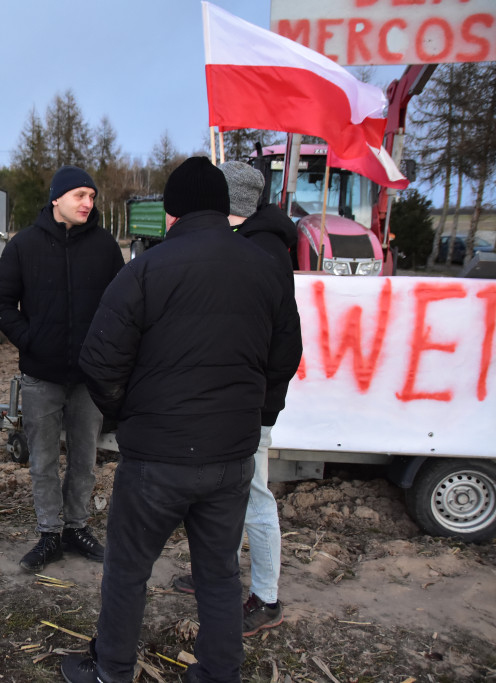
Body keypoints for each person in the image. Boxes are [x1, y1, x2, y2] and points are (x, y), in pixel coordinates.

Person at [61, 157, 302, 683]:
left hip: (157, 459)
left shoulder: (145, 270)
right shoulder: (266, 266)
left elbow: (99, 360)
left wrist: (127, 416)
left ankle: (112, 670)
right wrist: (257, 418)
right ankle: (219, 673)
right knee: (218, 575)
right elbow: (286, 356)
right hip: (230, 457)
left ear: (171, 212)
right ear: (224, 208)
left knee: (127, 570)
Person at [170, 161, 299, 639]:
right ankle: (213, 575)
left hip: (249, 406)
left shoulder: (264, 251)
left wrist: (260, 401)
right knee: (217, 495)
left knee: (254, 498)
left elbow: (285, 341)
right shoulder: (246, 244)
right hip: (223, 402)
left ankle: (266, 598)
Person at [0, 165, 124, 572]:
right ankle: (49, 533)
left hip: (88, 378)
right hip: (40, 376)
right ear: (57, 199)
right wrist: (31, 339)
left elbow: (122, 306)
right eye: (80, 195)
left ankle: (76, 528)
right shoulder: (24, 246)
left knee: (84, 459)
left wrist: (105, 350)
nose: (88, 203)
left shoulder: (104, 246)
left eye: (92, 196)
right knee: (43, 460)